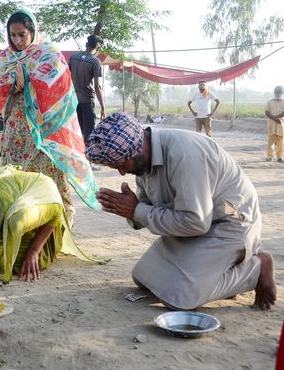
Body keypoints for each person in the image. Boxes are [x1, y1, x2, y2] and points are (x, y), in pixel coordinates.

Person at [85, 112, 276, 311]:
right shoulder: (143, 159)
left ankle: (256, 268)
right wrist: (129, 211)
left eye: (122, 165)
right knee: (144, 277)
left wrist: (137, 210)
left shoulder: (185, 154)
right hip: (194, 226)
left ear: (137, 149)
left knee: (180, 298)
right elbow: (146, 208)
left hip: (230, 225)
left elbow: (195, 222)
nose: (122, 172)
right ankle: (222, 273)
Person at [0, 9, 99, 226]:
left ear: (32, 30)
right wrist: (14, 84)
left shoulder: (48, 53)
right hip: (16, 126)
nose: (17, 40)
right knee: (17, 171)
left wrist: (27, 82)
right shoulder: (5, 57)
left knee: (47, 173)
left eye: (22, 34)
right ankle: (20, 221)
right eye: (13, 35)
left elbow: (59, 84)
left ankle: (54, 224)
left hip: (43, 128)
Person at [0, 166, 99, 283]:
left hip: (35, 196)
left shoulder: (21, 217)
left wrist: (33, 251)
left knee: (21, 262)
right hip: (5, 201)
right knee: (5, 262)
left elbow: (54, 213)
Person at [68, 35, 107, 146]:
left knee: (77, 131)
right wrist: (103, 108)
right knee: (89, 133)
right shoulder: (95, 62)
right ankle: (88, 160)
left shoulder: (73, 57)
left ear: (86, 44)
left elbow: (65, 76)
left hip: (73, 100)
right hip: (87, 101)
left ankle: (77, 158)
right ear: (98, 47)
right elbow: (97, 87)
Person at [265, 85, 284, 162]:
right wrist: (275, 119)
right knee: (270, 141)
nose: (278, 93)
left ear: (282, 93)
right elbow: (267, 112)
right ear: (274, 92)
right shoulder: (270, 102)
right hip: (271, 125)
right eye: (277, 92)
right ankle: (269, 156)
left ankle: (280, 157)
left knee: (281, 142)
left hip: (281, 124)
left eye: (280, 92)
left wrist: (277, 118)